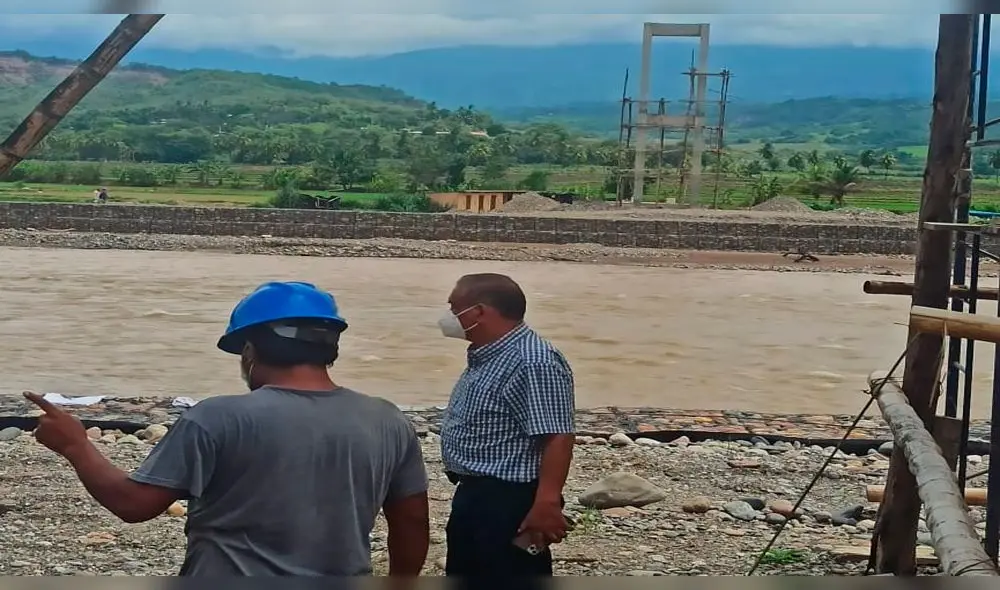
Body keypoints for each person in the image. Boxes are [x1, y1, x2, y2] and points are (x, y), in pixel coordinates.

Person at [24, 281, 430, 577]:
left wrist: (75, 444)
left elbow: (133, 505)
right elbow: (411, 522)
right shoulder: (388, 420)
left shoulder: (218, 417)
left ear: (250, 350)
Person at [437, 273, 576, 578]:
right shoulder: (489, 355)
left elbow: (557, 436)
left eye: (454, 308)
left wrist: (547, 502)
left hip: (508, 501)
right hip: (475, 493)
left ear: (479, 312)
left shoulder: (533, 361)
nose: (449, 316)